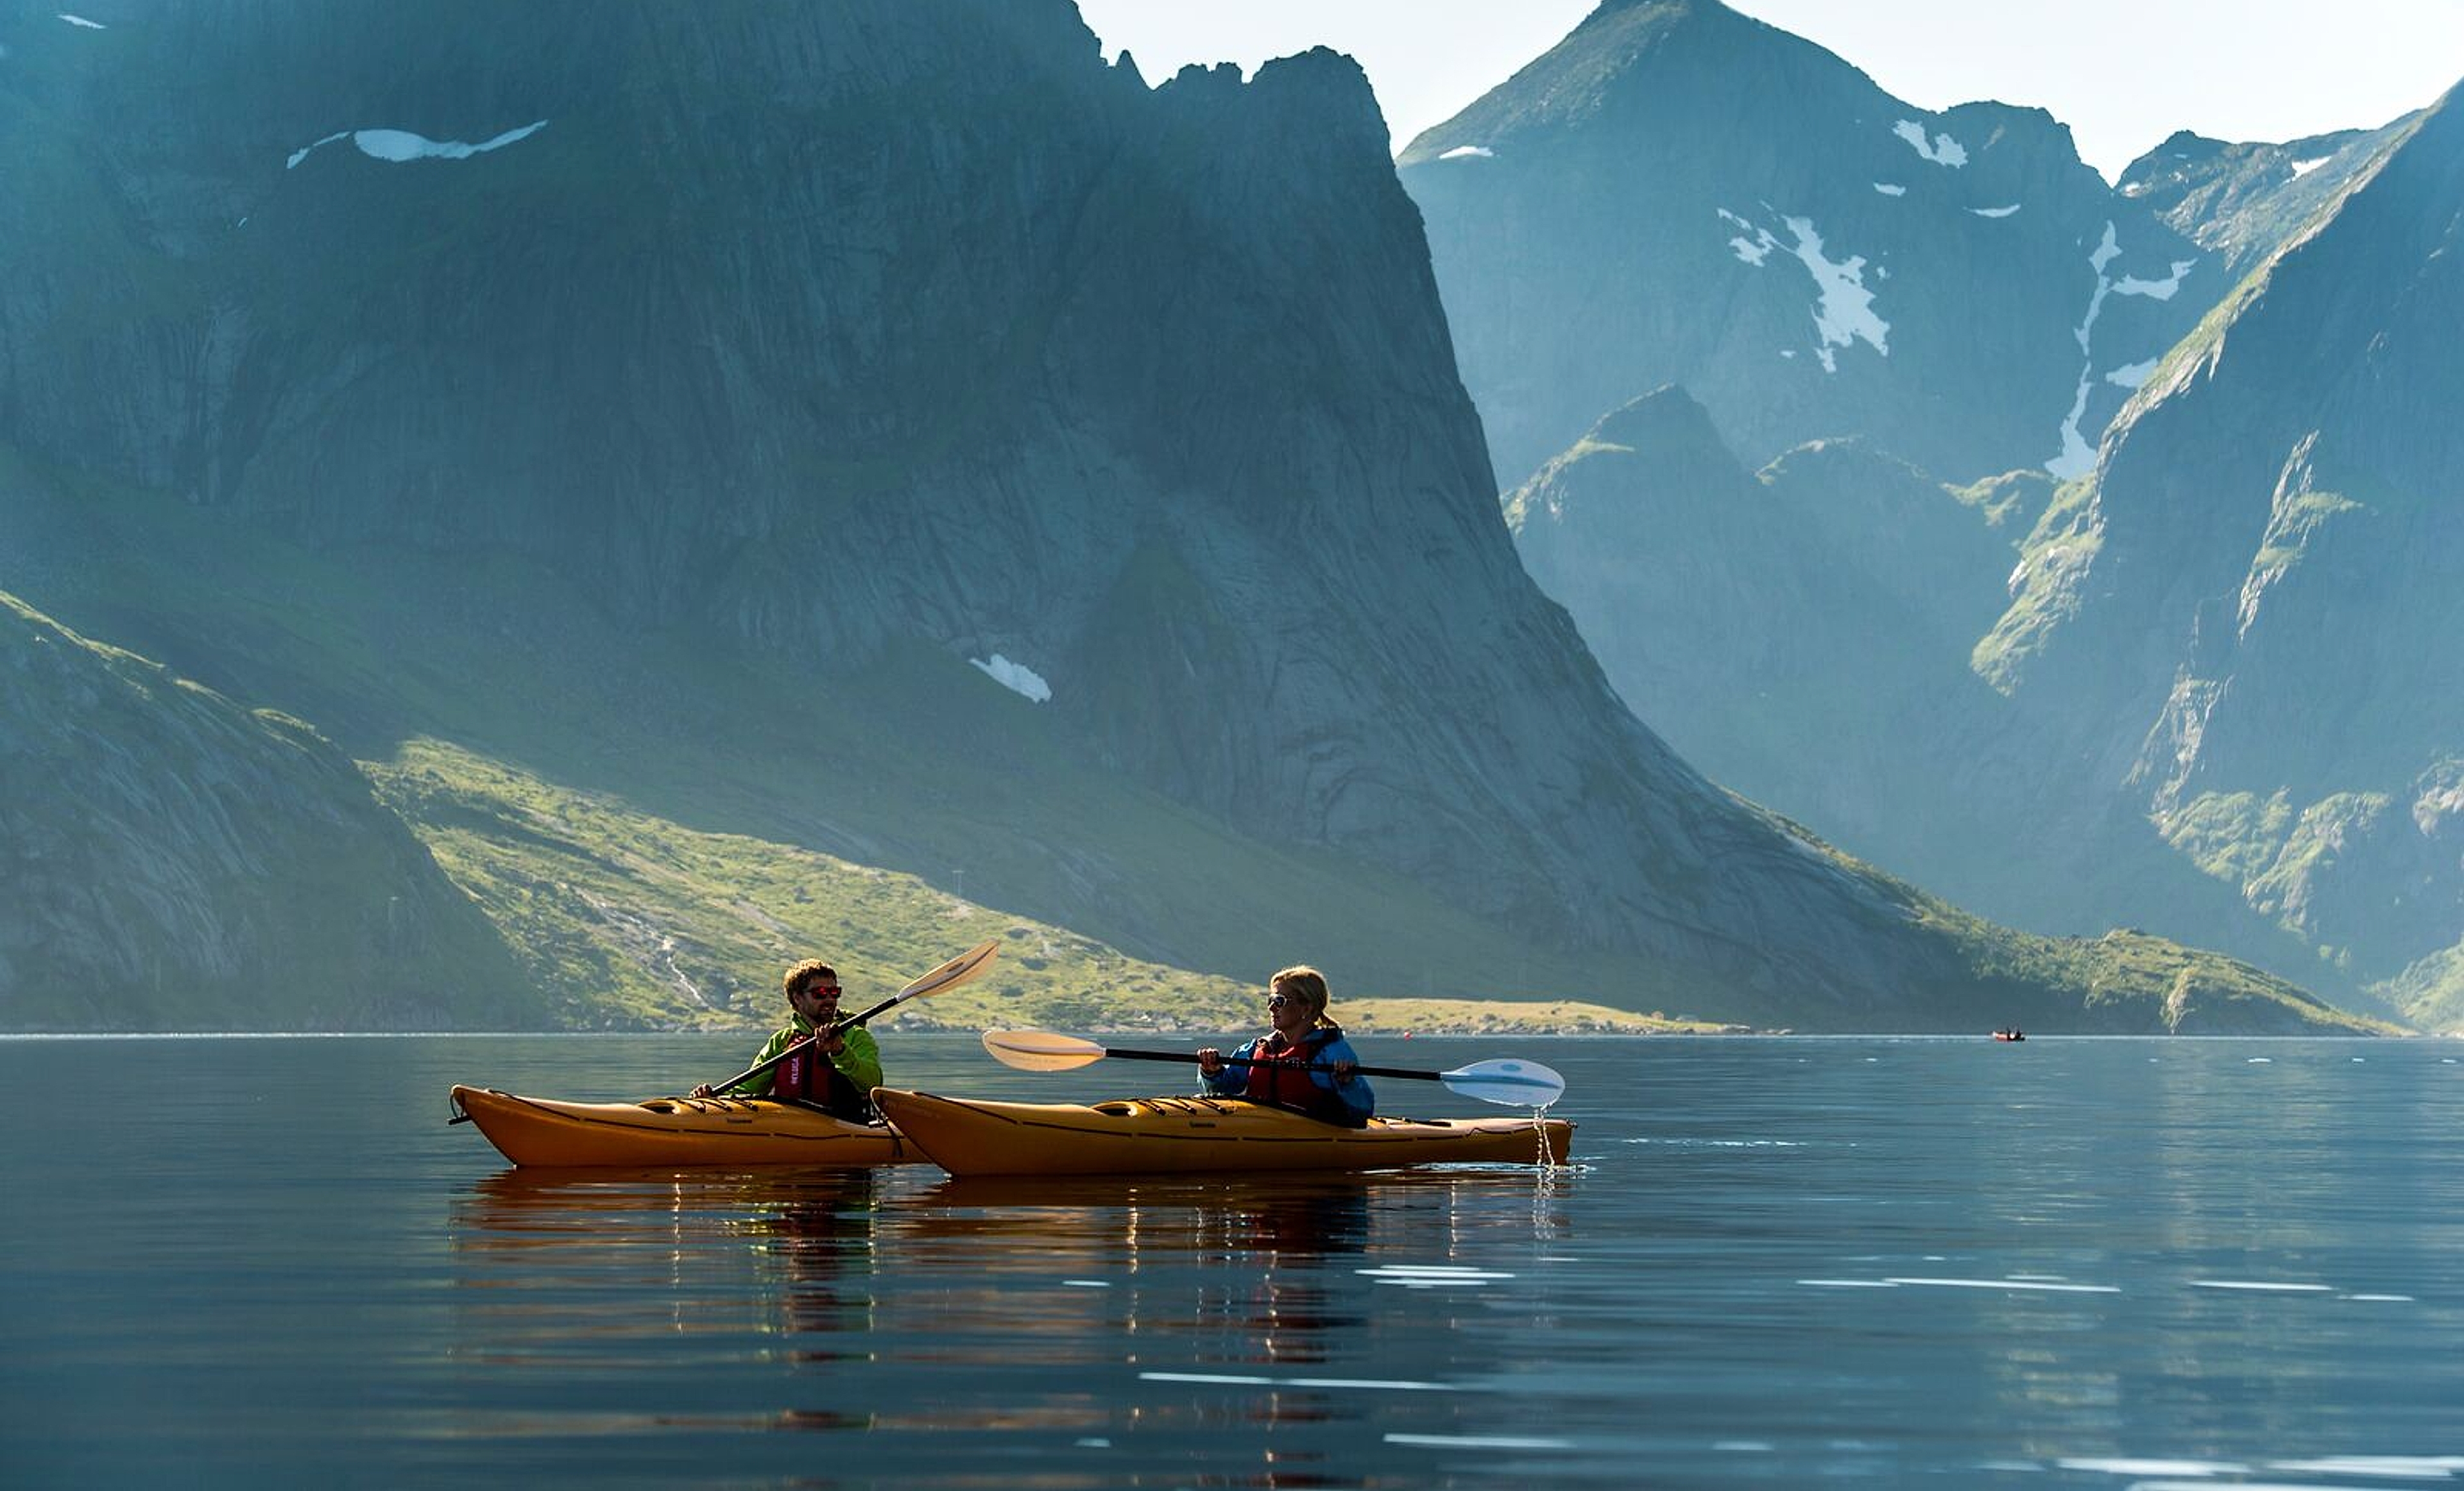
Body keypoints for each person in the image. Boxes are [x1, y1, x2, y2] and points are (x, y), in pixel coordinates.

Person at [691, 960, 883, 1121]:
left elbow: (872, 1084)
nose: (829, 1000)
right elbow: (749, 1087)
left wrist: (840, 1052)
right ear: (798, 998)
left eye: (834, 993)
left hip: (845, 1125)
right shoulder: (782, 1041)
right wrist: (714, 1099)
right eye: (820, 993)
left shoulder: (855, 1035)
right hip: (790, 1127)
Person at [1197, 966, 1374, 1127]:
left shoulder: (1332, 1051)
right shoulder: (1255, 1049)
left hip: (1313, 1134)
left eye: (1280, 1001)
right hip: (1258, 1129)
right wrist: (1211, 1071)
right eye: (1271, 1000)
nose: (1272, 1007)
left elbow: (1364, 1110)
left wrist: (1348, 1084)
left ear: (1307, 1008)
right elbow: (1223, 1090)